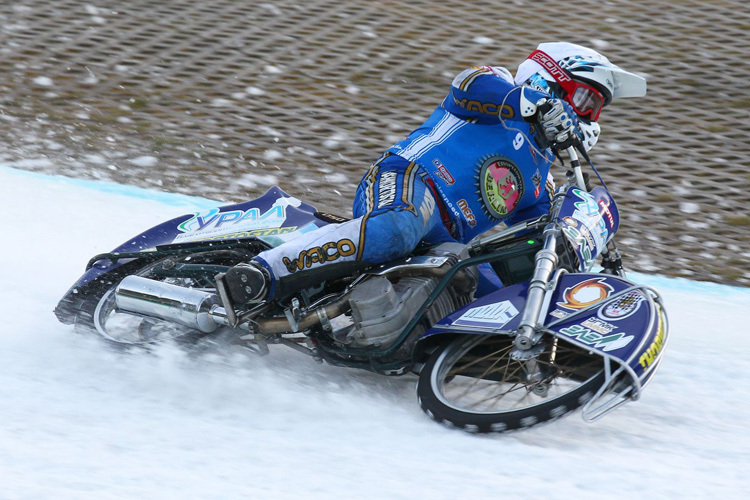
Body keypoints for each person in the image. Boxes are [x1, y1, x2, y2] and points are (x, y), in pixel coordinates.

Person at [224, 41, 647, 305]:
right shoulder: (499, 88)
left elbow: (529, 241)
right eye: (586, 100)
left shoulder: (540, 179)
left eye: (596, 109)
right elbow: (469, 85)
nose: (590, 116)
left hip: (446, 244)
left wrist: (580, 252)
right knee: (400, 226)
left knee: (492, 294)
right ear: (552, 80)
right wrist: (532, 103)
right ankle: (263, 274)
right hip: (410, 181)